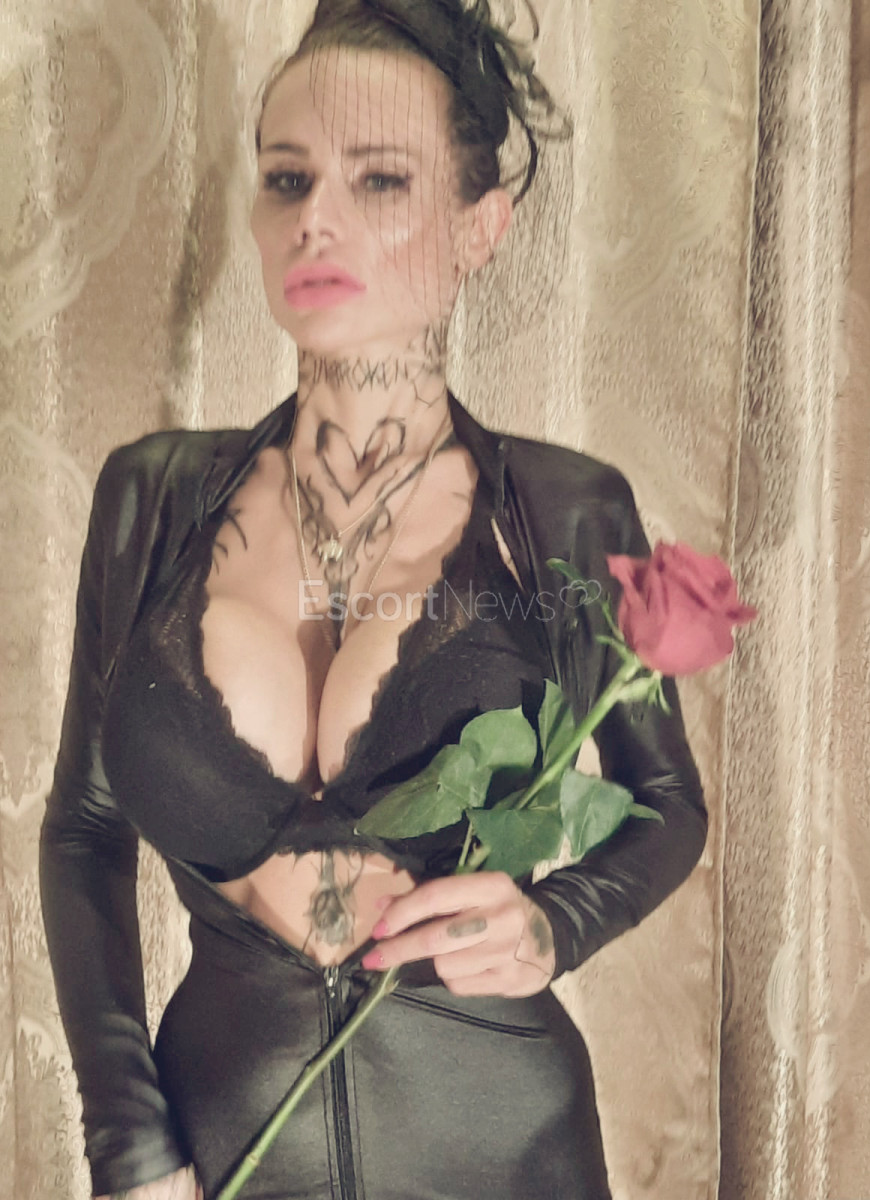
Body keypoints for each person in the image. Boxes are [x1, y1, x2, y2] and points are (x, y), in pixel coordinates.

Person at [40, 1, 707, 1197]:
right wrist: (128, 1146)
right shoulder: (154, 497)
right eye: (287, 178)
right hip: (219, 1145)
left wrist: (557, 924)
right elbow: (86, 830)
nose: (317, 218)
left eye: (381, 180)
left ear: (479, 226)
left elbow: (666, 803)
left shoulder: (560, 511)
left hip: (502, 1144)